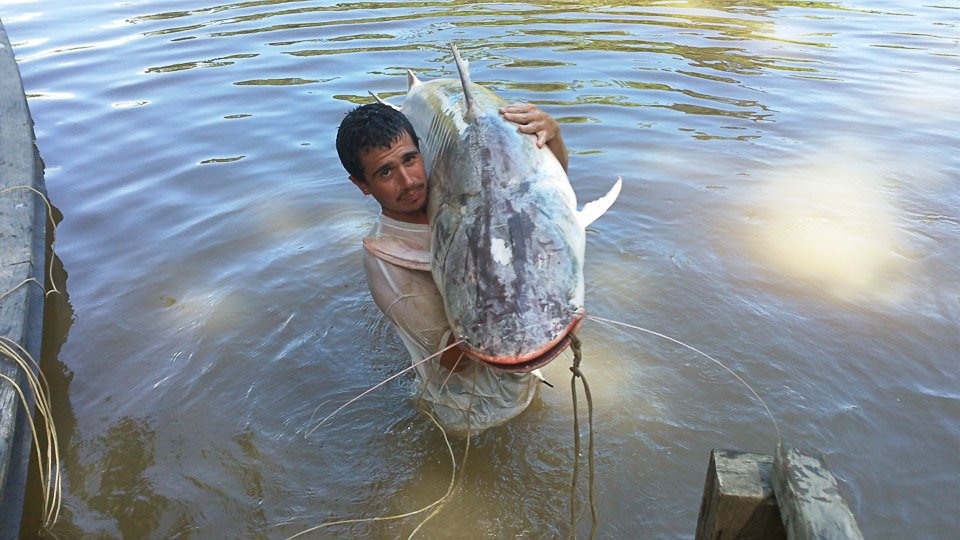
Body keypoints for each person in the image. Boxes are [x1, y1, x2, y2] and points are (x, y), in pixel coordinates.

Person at [336, 101, 569, 435]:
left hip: (521, 374)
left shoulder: (449, 192)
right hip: (471, 412)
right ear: (362, 184)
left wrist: (553, 137)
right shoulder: (385, 261)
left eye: (410, 159)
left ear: (421, 151)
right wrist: (518, 299)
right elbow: (452, 360)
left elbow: (549, 206)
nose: (408, 181)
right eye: (385, 172)